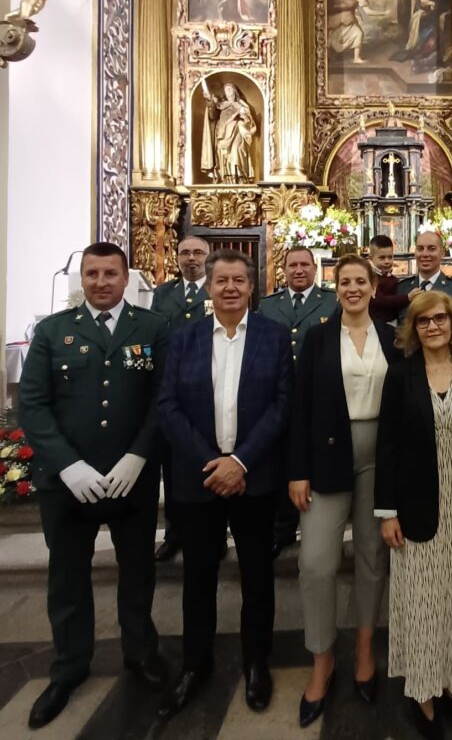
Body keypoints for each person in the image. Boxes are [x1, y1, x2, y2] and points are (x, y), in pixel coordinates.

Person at [19, 242, 169, 729]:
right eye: (92, 274)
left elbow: (163, 399)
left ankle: (140, 652)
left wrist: (138, 455)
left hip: (132, 478)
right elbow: (34, 405)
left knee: (138, 572)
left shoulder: (152, 329)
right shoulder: (52, 331)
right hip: (67, 485)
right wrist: (67, 466)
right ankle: (68, 668)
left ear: (127, 279)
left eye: (110, 273)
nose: (101, 282)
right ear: (80, 279)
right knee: (67, 579)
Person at [157, 249, 293, 718]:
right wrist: (212, 463)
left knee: (258, 576)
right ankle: (196, 664)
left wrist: (241, 461)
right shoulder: (184, 338)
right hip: (199, 481)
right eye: (222, 281)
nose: (231, 287)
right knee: (198, 577)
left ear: (251, 287)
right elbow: (169, 405)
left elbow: (282, 403)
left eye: (239, 280)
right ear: (209, 287)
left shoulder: (274, 337)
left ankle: (257, 661)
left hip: (254, 480)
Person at [376, 291, 452, 738]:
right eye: (424, 321)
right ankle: (424, 691)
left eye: (440, 320)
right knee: (423, 600)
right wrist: (387, 511)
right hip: (415, 507)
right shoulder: (400, 375)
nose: (433, 327)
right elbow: (386, 445)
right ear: (413, 328)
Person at [288, 255, 402, 728]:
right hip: (328, 454)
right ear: (335, 289)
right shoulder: (316, 339)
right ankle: (322, 658)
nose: (353, 288)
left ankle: (363, 650)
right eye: (345, 282)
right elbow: (298, 406)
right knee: (316, 562)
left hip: (383, 455)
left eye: (361, 281)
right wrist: (298, 470)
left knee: (374, 559)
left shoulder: (394, 339)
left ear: (375, 287)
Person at [259, 246, 337, 556]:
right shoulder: (268, 305)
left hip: (317, 396)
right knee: (281, 463)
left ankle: (318, 527)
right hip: (277, 395)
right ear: (284, 270)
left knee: (314, 460)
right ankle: (283, 527)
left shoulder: (331, 302)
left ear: (315, 270)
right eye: (293, 265)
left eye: (305, 264)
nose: (299, 270)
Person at [151, 234, 211, 562]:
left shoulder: (218, 289)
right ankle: (174, 533)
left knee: (207, 464)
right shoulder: (162, 295)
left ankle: (210, 536)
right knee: (173, 469)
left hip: (208, 393)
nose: (191, 258)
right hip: (171, 393)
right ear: (177, 257)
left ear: (208, 256)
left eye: (197, 253)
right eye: (185, 253)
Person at [397, 231, 452, 361]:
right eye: (420, 249)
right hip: (409, 370)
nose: (425, 254)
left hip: (446, 365)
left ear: (442, 253)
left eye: (431, 249)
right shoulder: (402, 289)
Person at [201, 81, 258, 184]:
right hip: (223, 132)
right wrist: (210, 100)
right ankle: (226, 177)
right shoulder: (221, 105)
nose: (227, 91)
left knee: (236, 150)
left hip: (237, 131)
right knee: (221, 151)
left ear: (234, 91)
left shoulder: (241, 104)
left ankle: (239, 176)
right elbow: (212, 115)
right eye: (225, 90)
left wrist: (243, 117)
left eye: (229, 89)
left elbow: (249, 121)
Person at [369, 233, 418, 324]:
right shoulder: (370, 278)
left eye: (390, 257)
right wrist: (407, 297)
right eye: (382, 258)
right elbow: (380, 301)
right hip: (378, 324)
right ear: (371, 258)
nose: (387, 261)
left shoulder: (393, 279)